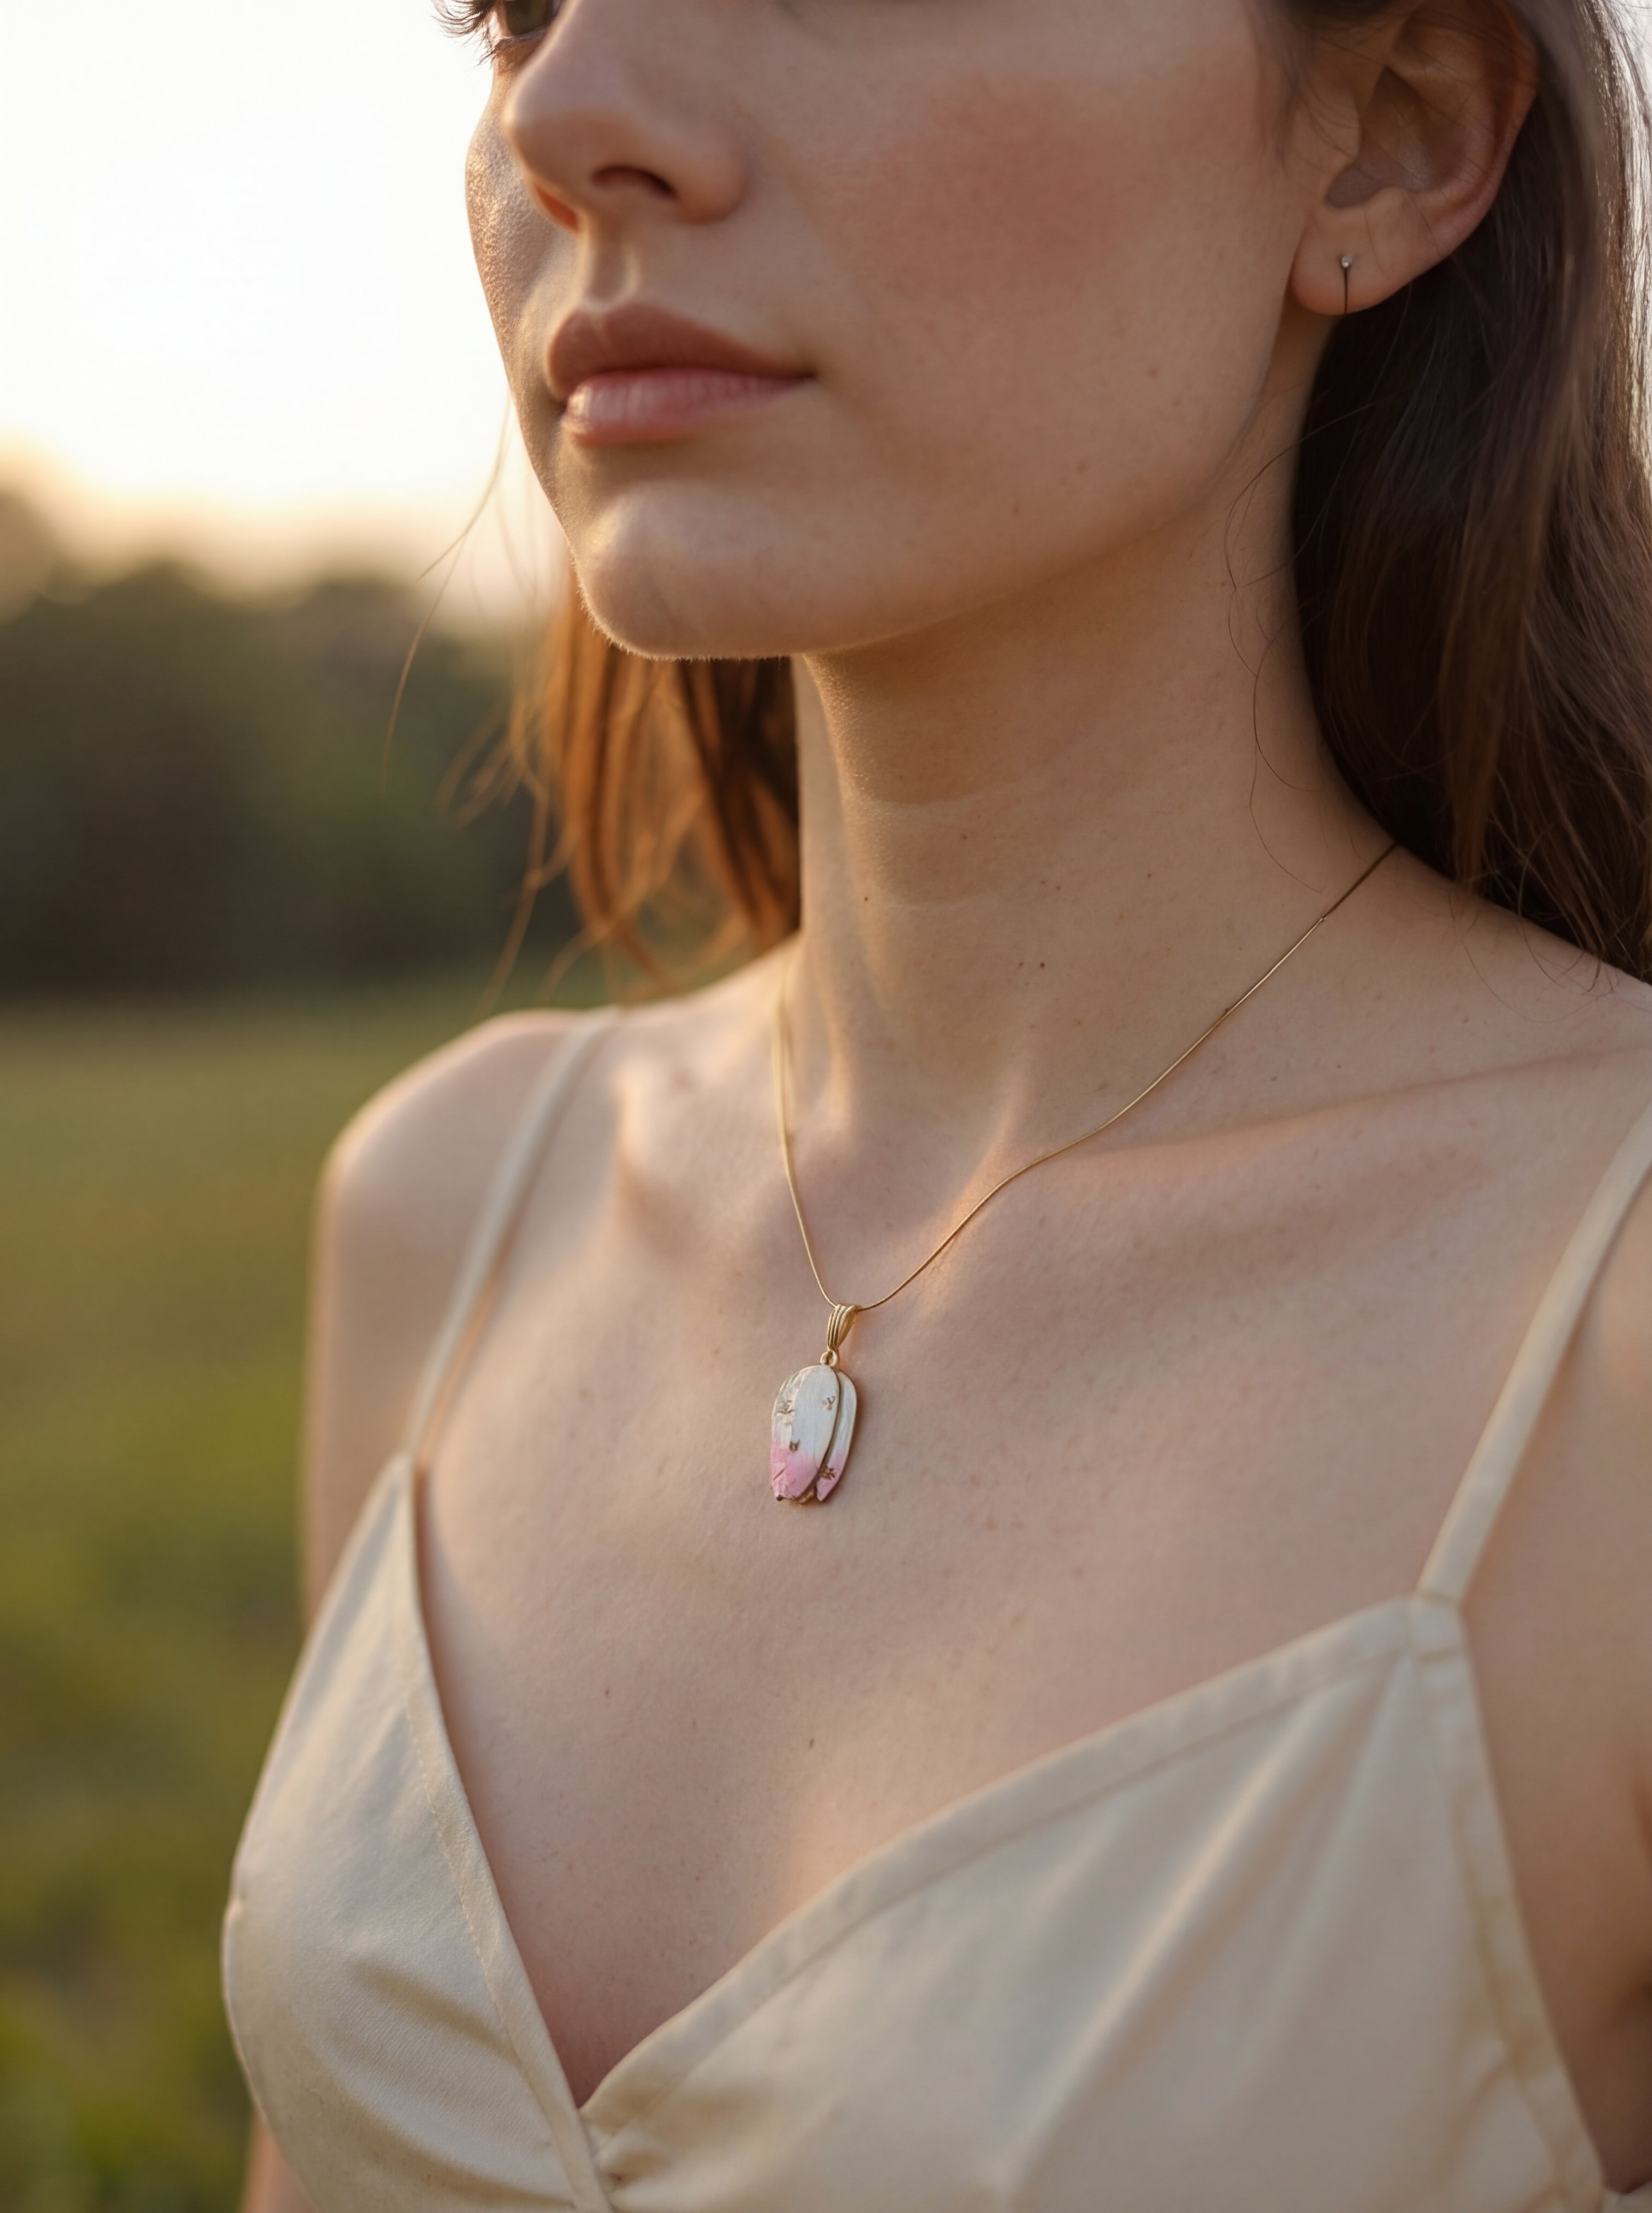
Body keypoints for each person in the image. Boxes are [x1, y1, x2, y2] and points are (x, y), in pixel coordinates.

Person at [225, 0, 1652, 2205]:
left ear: (1383, 136)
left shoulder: (1607, 1330)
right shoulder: (447, 1210)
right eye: (511, 11)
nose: (574, 116)